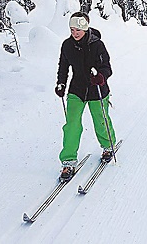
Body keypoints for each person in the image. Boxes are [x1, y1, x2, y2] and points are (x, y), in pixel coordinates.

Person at [54, 11, 116, 181]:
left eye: (78, 30)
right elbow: (63, 67)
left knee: (101, 120)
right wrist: (61, 83)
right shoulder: (67, 45)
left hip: (97, 89)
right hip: (77, 89)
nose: (74, 33)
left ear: (85, 28)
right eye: (72, 30)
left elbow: (107, 67)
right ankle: (68, 160)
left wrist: (101, 76)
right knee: (72, 124)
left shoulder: (97, 45)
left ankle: (108, 146)